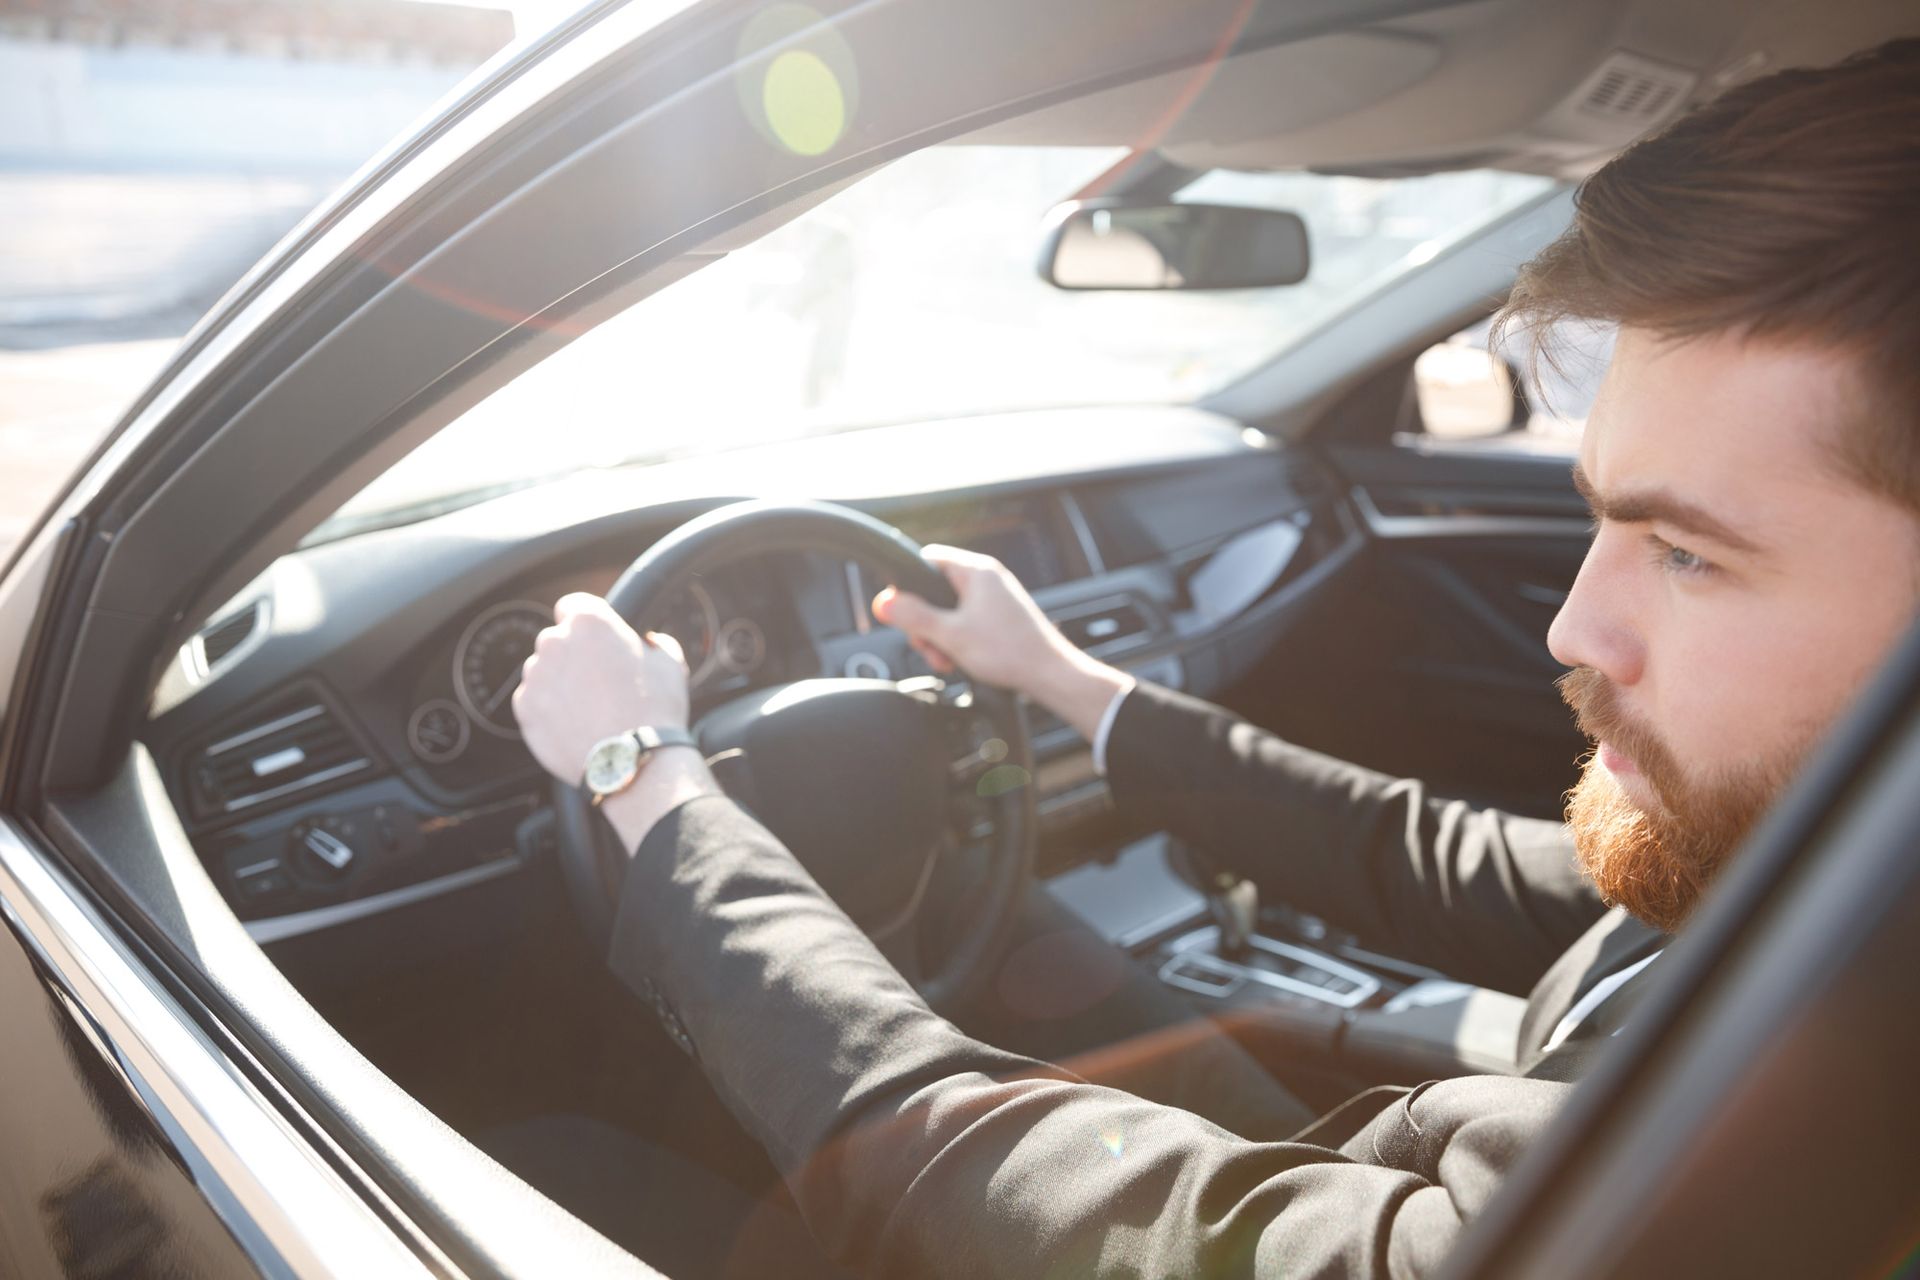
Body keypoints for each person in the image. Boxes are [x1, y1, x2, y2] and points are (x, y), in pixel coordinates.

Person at [510, 41, 1920, 1277]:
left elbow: (1047, 1202)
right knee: (1045, 955)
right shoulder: (1830, 881)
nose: (1573, 627)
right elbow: (1438, 862)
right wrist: (1066, 679)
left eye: (1688, 553)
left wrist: (651, 782)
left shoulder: (1781, 1156)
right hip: (1384, 1156)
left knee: (561, 1162)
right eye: (1598, 510)